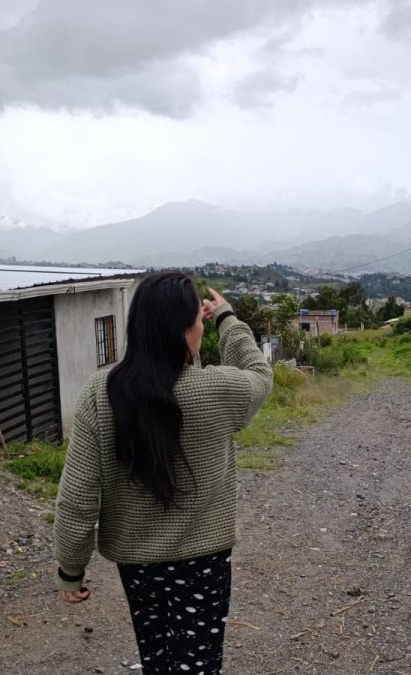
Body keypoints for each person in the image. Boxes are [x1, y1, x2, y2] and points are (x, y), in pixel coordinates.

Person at [53, 271, 272, 675]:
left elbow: (78, 495)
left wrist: (71, 569)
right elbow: (259, 374)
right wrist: (227, 318)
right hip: (202, 564)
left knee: (156, 657)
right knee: (197, 664)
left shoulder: (101, 393)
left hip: (136, 565)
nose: (203, 328)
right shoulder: (218, 391)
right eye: (199, 322)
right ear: (186, 331)